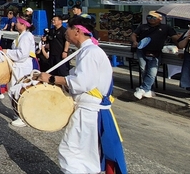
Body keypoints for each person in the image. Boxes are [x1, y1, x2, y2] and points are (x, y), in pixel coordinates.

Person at [36, 16, 127, 174]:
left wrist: (51, 78)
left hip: (89, 113)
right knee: (86, 156)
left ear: (77, 31)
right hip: (89, 111)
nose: (66, 32)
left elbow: (81, 83)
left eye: (68, 29)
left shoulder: (90, 52)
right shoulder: (88, 50)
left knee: (72, 154)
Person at [130, 11, 178, 99]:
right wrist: (134, 41)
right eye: (149, 17)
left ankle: (143, 88)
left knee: (152, 71)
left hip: (155, 52)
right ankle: (148, 90)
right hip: (142, 50)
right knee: (143, 69)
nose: (151, 19)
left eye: (153, 17)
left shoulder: (165, 27)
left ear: (160, 19)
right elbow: (133, 34)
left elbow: (174, 37)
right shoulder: (142, 26)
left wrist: (181, 40)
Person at [3, 11, 38, 127]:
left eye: (18, 22)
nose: (16, 24)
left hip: (23, 66)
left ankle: (22, 117)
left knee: (19, 90)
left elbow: (22, 54)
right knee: (15, 89)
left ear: (23, 24)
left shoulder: (26, 36)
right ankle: (19, 113)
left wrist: (7, 52)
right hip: (19, 65)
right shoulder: (22, 35)